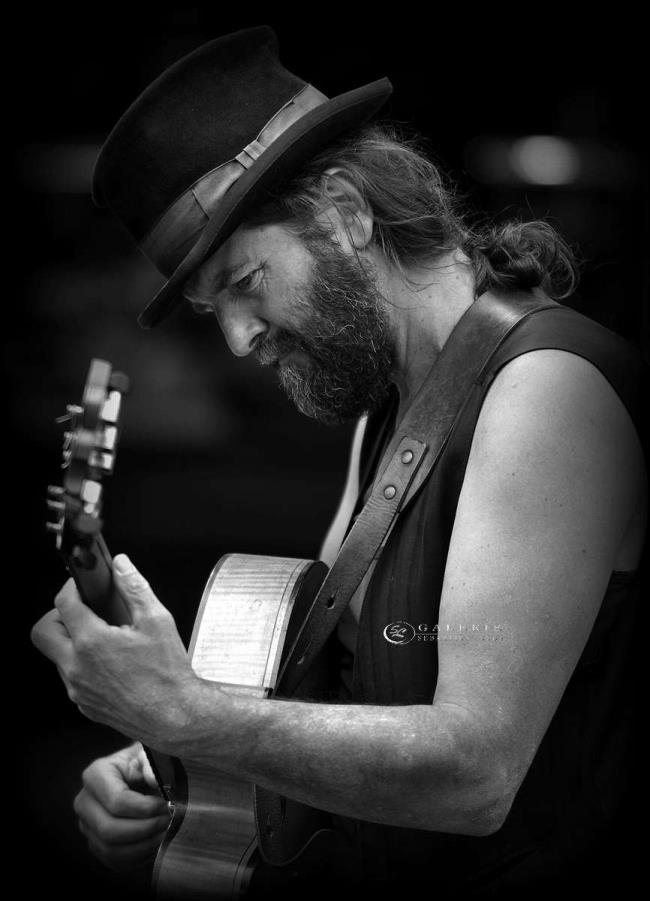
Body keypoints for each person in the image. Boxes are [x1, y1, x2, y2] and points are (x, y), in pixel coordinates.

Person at [31, 25, 647, 899]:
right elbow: (319, 688)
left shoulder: (546, 393)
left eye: (245, 284)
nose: (240, 340)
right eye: (216, 312)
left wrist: (189, 715)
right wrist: (159, 755)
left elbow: (477, 772)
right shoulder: (390, 417)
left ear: (346, 213)